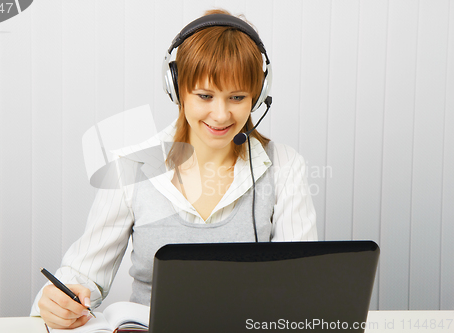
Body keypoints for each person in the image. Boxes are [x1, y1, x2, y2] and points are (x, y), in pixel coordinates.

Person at [31, 9, 317, 329]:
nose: (221, 115)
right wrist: (61, 299)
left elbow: (300, 283)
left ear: (258, 93)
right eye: (205, 95)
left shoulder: (284, 165)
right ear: (176, 87)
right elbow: (81, 276)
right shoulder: (133, 166)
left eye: (237, 97)